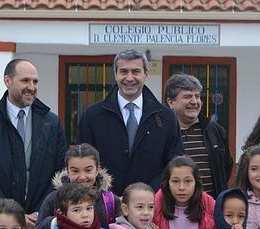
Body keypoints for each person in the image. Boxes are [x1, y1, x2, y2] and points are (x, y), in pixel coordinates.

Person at [0, 58, 68, 229]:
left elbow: (60, 172)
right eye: (25, 80)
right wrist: (11, 216)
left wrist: (42, 211)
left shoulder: (52, 123)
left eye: (35, 81)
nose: (31, 86)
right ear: (7, 81)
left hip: (39, 226)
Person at [77, 49, 183, 195]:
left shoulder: (167, 118)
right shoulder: (92, 116)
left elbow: (174, 165)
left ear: (146, 74)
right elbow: (84, 161)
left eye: (136, 71)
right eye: (123, 71)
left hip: (152, 204)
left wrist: (146, 194)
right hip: (104, 203)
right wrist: (109, 196)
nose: (129, 77)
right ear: (115, 74)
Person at [31, 143, 121, 229]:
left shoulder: (111, 202)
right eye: (75, 171)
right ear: (67, 171)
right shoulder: (53, 199)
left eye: (88, 170)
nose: (82, 177)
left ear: (97, 170)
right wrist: (54, 223)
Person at [164, 73, 233, 197]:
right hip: (172, 209)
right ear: (171, 102)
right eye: (187, 96)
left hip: (210, 209)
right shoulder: (161, 132)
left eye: (197, 96)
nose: (195, 101)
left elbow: (225, 167)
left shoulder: (214, 130)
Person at [153, 156, 217, 229]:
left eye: (188, 181)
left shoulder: (211, 208)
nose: (181, 187)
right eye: (175, 181)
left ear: (196, 182)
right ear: (167, 183)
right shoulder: (154, 208)